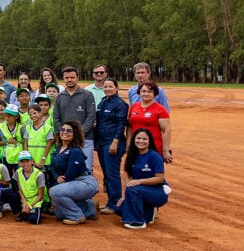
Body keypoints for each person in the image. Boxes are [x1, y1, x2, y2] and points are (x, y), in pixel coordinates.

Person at [118, 128, 170, 230]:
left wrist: (139, 181)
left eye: (144, 139)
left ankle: (138, 222)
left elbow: (159, 179)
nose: (141, 141)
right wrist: (125, 196)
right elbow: (129, 176)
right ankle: (149, 212)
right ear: (134, 140)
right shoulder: (132, 155)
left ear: (149, 141)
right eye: (138, 138)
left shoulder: (154, 156)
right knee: (118, 209)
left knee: (133, 190)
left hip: (157, 191)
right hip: (139, 190)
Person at [49, 120, 99, 225]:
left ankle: (77, 216)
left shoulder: (75, 150)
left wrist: (62, 181)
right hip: (71, 183)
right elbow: (52, 166)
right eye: (62, 130)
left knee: (54, 192)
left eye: (69, 131)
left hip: (84, 182)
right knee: (60, 215)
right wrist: (57, 177)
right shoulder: (57, 150)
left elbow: (73, 170)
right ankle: (89, 208)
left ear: (74, 134)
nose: (64, 132)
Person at [53, 67, 97, 175]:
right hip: (65, 141)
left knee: (86, 169)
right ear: (63, 78)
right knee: (67, 170)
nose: (69, 80)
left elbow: (91, 116)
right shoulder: (59, 97)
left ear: (77, 77)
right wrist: (64, 132)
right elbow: (56, 117)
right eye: (67, 77)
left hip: (85, 139)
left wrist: (79, 133)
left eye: (72, 77)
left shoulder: (87, 95)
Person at [95, 77, 128, 215]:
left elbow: (121, 124)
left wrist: (115, 141)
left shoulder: (120, 104)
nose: (108, 89)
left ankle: (115, 204)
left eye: (110, 86)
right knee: (106, 173)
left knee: (112, 173)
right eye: (106, 87)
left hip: (113, 143)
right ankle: (110, 201)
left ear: (116, 88)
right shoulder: (103, 102)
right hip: (102, 142)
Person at [128, 80, 173, 165]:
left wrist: (165, 150)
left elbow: (167, 130)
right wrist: (128, 145)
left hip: (154, 147)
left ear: (154, 93)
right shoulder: (134, 107)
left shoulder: (160, 109)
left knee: (153, 173)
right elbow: (130, 126)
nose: (146, 94)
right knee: (135, 172)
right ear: (139, 93)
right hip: (136, 146)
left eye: (150, 91)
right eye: (143, 91)